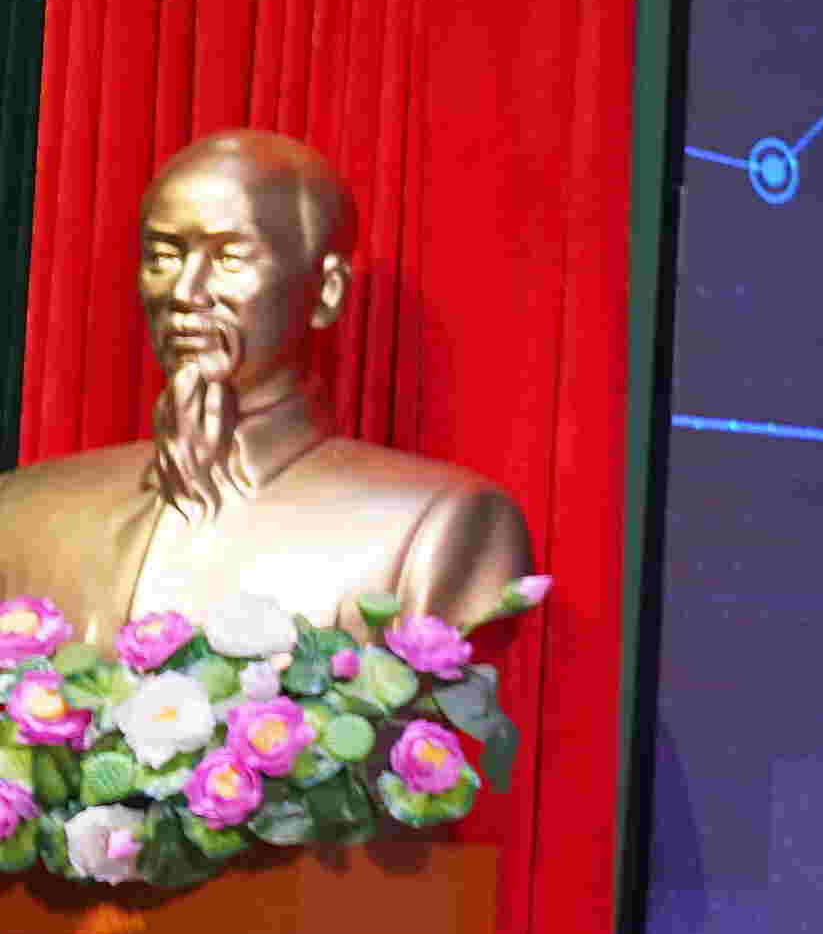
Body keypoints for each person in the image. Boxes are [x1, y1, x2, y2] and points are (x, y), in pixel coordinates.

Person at [0, 130, 535, 646]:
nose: (185, 291)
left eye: (230, 258)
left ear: (327, 291)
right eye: (164, 257)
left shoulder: (440, 528)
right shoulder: (21, 512)